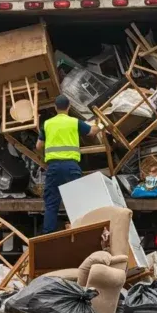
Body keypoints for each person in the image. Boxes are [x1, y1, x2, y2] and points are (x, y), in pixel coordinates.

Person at [35, 95, 100, 233]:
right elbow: (92, 132)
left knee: (51, 204)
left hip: (53, 167)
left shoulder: (47, 124)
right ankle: (77, 232)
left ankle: (47, 237)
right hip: (71, 167)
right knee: (77, 203)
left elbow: (38, 146)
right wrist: (100, 124)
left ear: (55, 107)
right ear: (69, 107)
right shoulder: (74, 122)